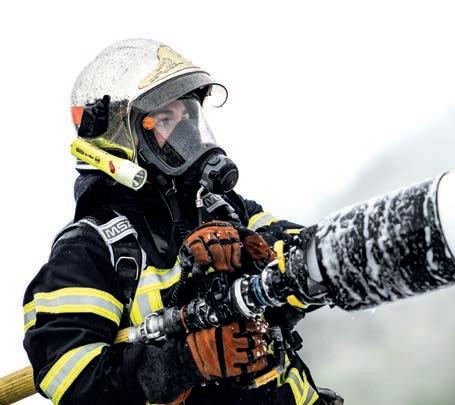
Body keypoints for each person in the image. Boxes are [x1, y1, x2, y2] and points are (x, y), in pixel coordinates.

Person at [22, 39, 342, 405]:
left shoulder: (225, 208)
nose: (186, 134)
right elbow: (70, 378)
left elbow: (312, 259)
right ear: (119, 138)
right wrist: (186, 362)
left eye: (188, 116)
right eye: (164, 120)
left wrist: (259, 254)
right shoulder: (90, 250)